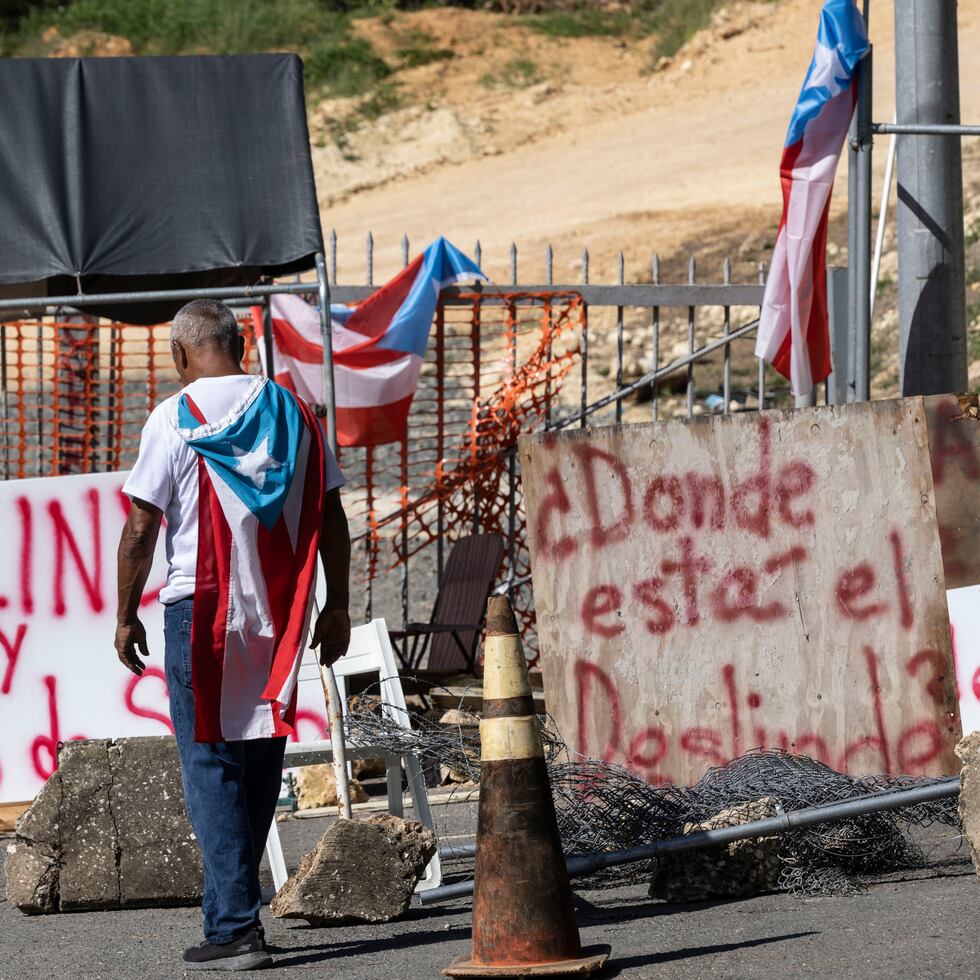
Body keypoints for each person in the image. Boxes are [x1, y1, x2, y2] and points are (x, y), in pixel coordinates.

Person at [114, 299, 351, 971]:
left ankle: (237, 926)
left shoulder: (174, 419)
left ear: (180, 354)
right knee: (256, 762)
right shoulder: (294, 413)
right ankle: (231, 915)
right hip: (278, 612)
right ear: (240, 345)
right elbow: (330, 513)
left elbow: (140, 527)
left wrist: (125, 610)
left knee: (209, 763)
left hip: (203, 612)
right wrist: (336, 606)